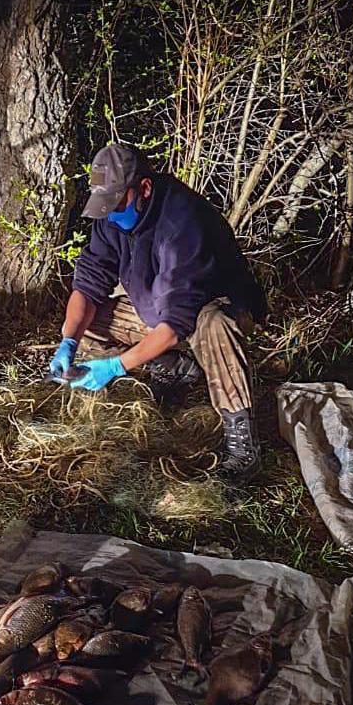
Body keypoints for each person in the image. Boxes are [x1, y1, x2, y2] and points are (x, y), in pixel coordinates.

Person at [49, 144, 268, 476]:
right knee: (90, 323)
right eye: (104, 205)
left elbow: (178, 321)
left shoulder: (183, 221)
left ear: (144, 189)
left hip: (212, 308)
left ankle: (243, 444)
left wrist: (117, 366)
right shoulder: (111, 218)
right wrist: (68, 341)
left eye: (117, 203)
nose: (110, 213)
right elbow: (88, 285)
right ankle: (175, 367)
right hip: (156, 308)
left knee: (216, 326)